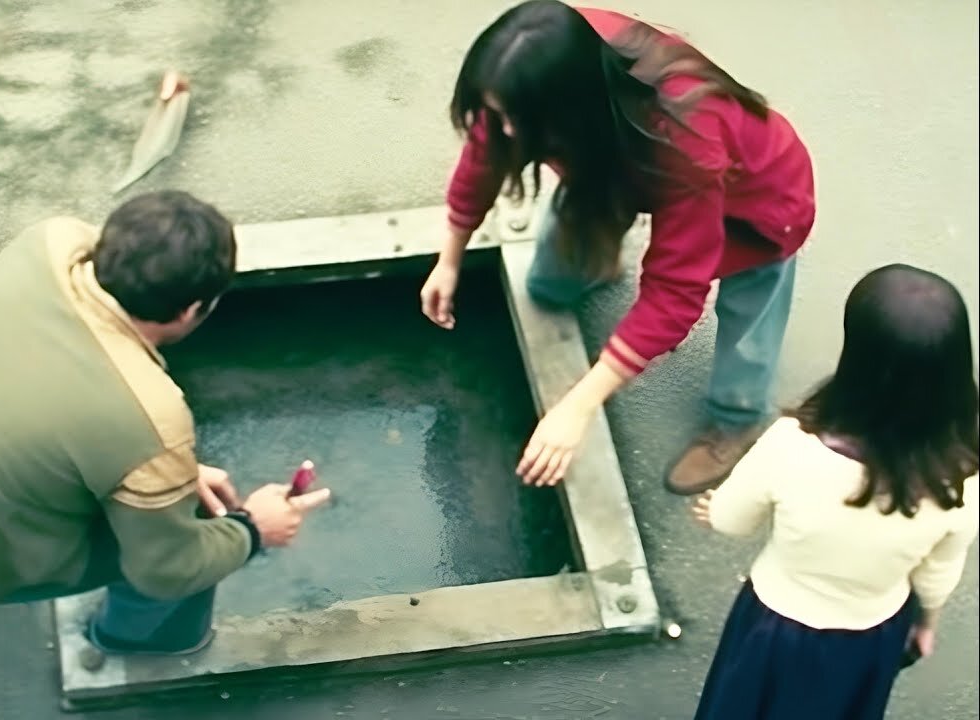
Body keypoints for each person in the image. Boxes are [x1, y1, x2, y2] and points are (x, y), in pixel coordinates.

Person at [0, 190, 331, 656]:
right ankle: (138, 643)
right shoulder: (148, 416)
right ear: (190, 310)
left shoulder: (47, 244)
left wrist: (164, 471)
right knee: (199, 529)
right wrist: (252, 529)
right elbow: (167, 568)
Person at [419, 1, 816, 494]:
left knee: (750, 317)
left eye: (512, 120)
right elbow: (485, 153)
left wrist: (578, 405)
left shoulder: (687, 136)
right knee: (547, 284)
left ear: (568, 112)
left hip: (758, 204)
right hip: (612, 165)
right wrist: (449, 259)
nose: (503, 132)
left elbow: (675, 293)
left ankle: (736, 419)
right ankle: (593, 265)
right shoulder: (542, 70)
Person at [691, 264, 979, 719]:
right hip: (872, 631)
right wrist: (926, 624)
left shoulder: (790, 443)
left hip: (773, 626)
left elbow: (731, 519)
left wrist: (714, 509)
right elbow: (937, 571)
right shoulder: (963, 477)